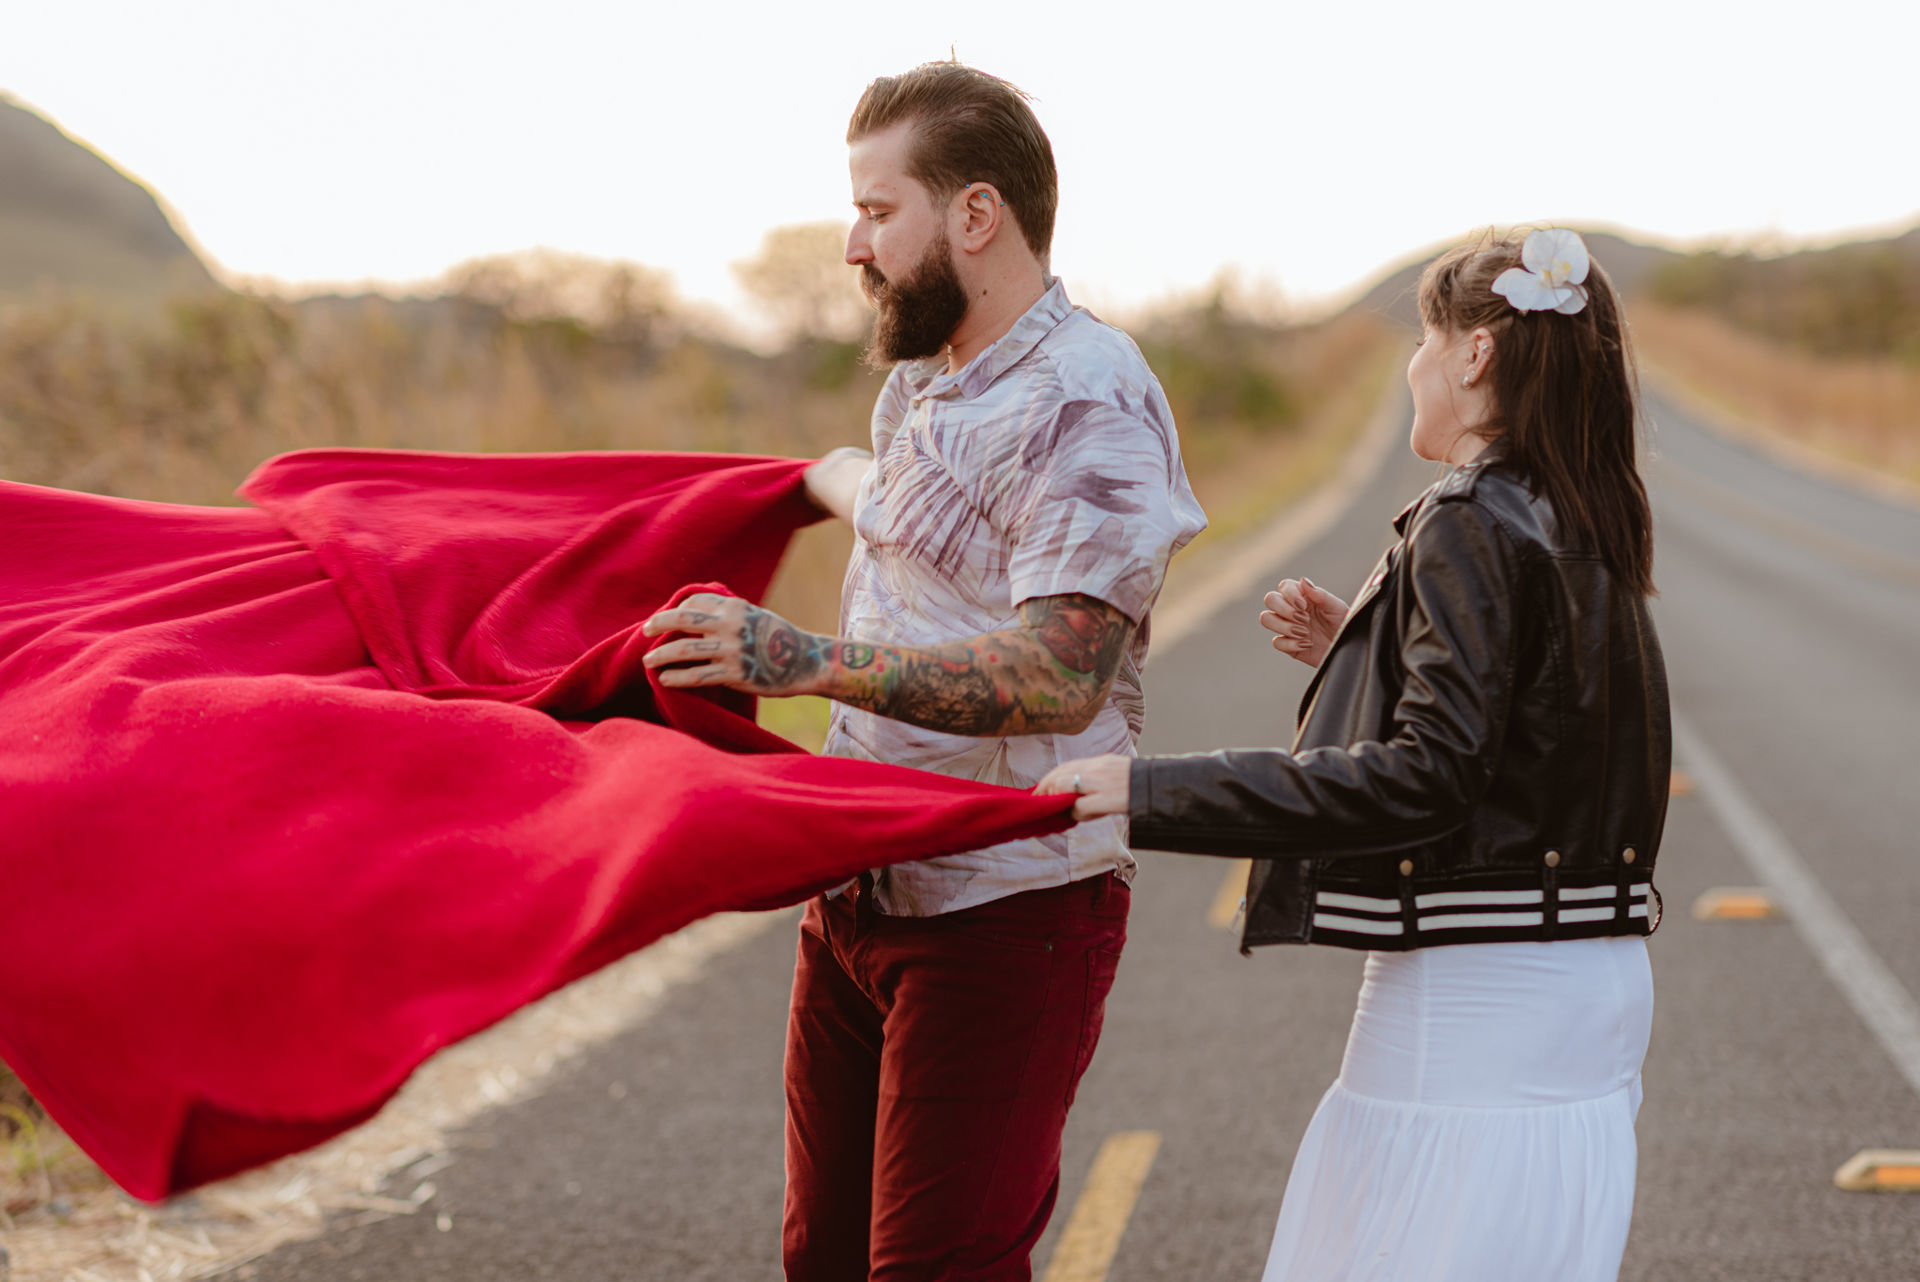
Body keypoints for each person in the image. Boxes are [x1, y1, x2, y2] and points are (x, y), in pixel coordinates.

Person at [641, 61, 1206, 1281]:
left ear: (975, 214)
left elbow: (1061, 673)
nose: (854, 245)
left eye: (877, 210)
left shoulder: (1091, 400)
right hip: (859, 887)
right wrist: (801, 482)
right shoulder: (920, 382)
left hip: (1007, 911)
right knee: (824, 1260)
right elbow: (917, 529)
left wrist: (802, 661)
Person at [1041, 228, 1668, 1282]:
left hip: (1480, 997)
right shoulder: (1587, 506)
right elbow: (1550, 725)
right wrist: (1373, 648)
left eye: (1424, 340)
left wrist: (1147, 791)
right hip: (1589, 985)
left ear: (1475, 353)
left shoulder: (1469, 515)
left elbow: (1430, 776)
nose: (1414, 365)